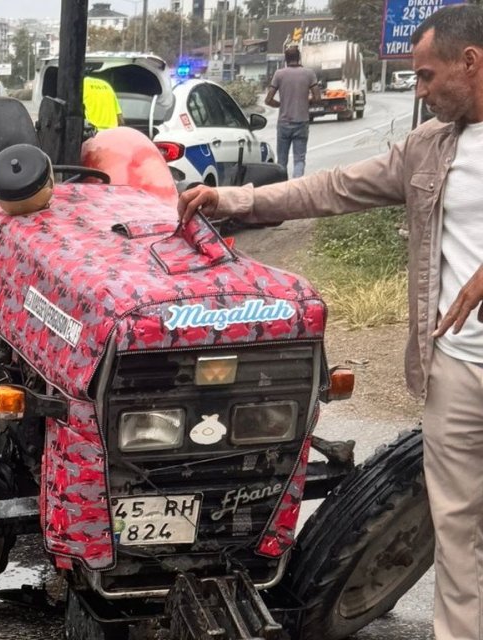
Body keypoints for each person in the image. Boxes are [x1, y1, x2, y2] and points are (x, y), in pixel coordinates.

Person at [178, 6, 483, 637]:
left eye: (426, 76)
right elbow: (332, 188)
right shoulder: (430, 148)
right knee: (458, 536)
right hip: (459, 365)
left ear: (471, 62)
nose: (419, 91)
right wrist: (236, 199)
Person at [265, 46, 322, 177]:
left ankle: (282, 191)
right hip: (302, 122)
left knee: (282, 162)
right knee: (299, 160)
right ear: (299, 58)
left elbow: (268, 100)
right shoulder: (309, 74)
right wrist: (307, 102)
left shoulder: (279, 74)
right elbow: (317, 98)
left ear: (286, 59)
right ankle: (296, 189)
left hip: (284, 123)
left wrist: (281, 104)